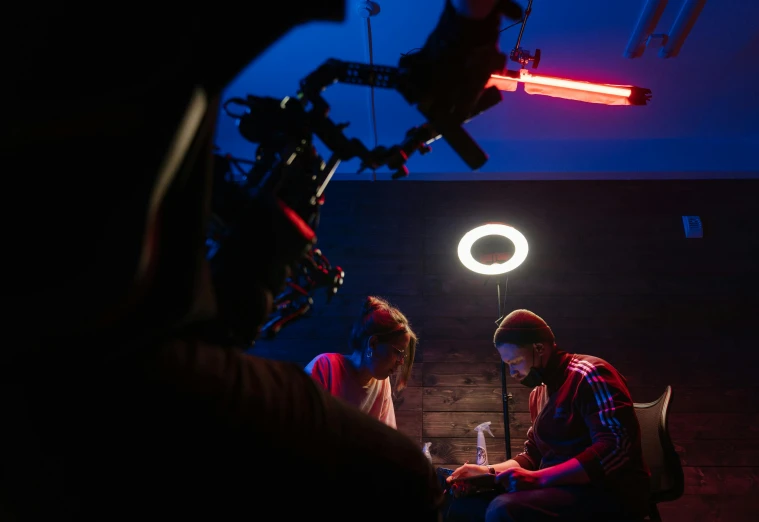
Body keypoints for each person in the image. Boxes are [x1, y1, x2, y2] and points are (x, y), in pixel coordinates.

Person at [1, 1, 519, 520]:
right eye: (390, 351)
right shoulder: (328, 368)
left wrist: (466, 30)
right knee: (406, 478)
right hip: (120, 345)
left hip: (125, 339)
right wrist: (468, 29)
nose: (393, 362)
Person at [443, 310, 650, 522]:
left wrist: (537, 479)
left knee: (504, 509)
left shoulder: (589, 374)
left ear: (539, 348)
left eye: (515, 362)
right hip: (558, 487)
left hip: (608, 492)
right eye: (508, 366)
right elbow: (533, 455)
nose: (513, 373)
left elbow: (614, 448)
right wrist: (485, 471)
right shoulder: (539, 394)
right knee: (462, 507)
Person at [305, 296, 417, 428]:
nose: (401, 361)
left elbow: (386, 439)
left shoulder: (382, 383)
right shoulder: (325, 367)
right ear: (373, 343)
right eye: (398, 351)